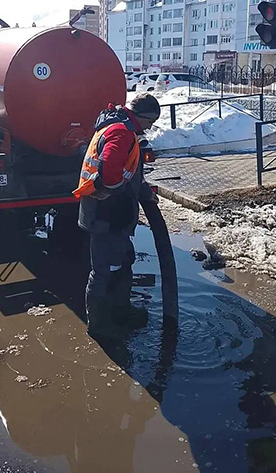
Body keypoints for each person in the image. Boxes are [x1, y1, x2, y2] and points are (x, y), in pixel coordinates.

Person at [73, 94, 161, 338]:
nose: (150, 127)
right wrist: (110, 190)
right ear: (141, 117)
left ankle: (122, 310)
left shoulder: (120, 127)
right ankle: (99, 325)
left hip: (111, 211)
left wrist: (143, 193)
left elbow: (130, 169)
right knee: (102, 269)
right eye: (150, 121)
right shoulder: (121, 132)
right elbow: (111, 170)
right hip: (105, 213)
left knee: (123, 260)